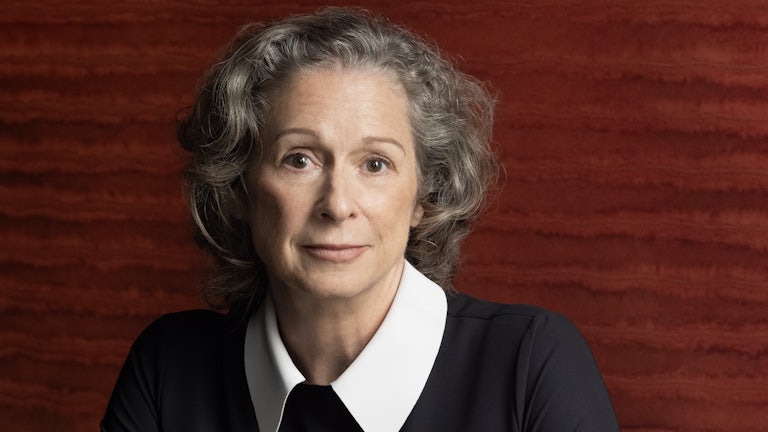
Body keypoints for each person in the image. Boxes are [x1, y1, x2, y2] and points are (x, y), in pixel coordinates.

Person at [101, 7, 619, 432]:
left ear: (424, 197)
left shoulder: (530, 364)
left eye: (375, 164)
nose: (338, 204)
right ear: (238, 187)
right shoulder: (168, 368)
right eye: (299, 159)